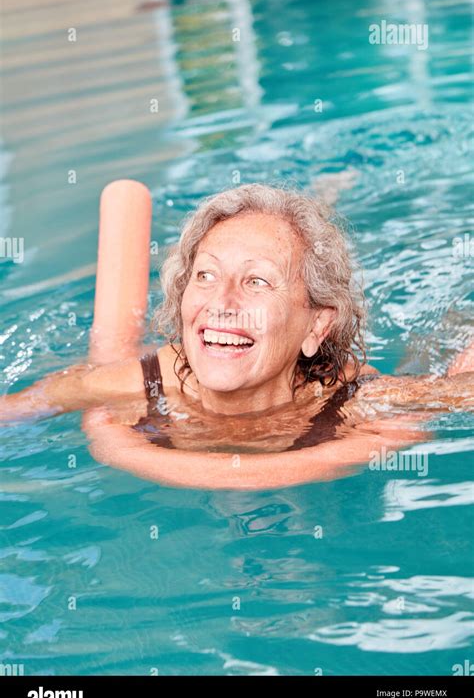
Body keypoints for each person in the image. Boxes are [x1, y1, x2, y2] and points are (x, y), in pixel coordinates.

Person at [1, 182, 473, 490]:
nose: (220, 303)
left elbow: (462, 391)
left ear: (316, 327)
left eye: (257, 281)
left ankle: (324, 195)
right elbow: (16, 412)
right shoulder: (132, 386)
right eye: (204, 276)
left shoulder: (355, 402)